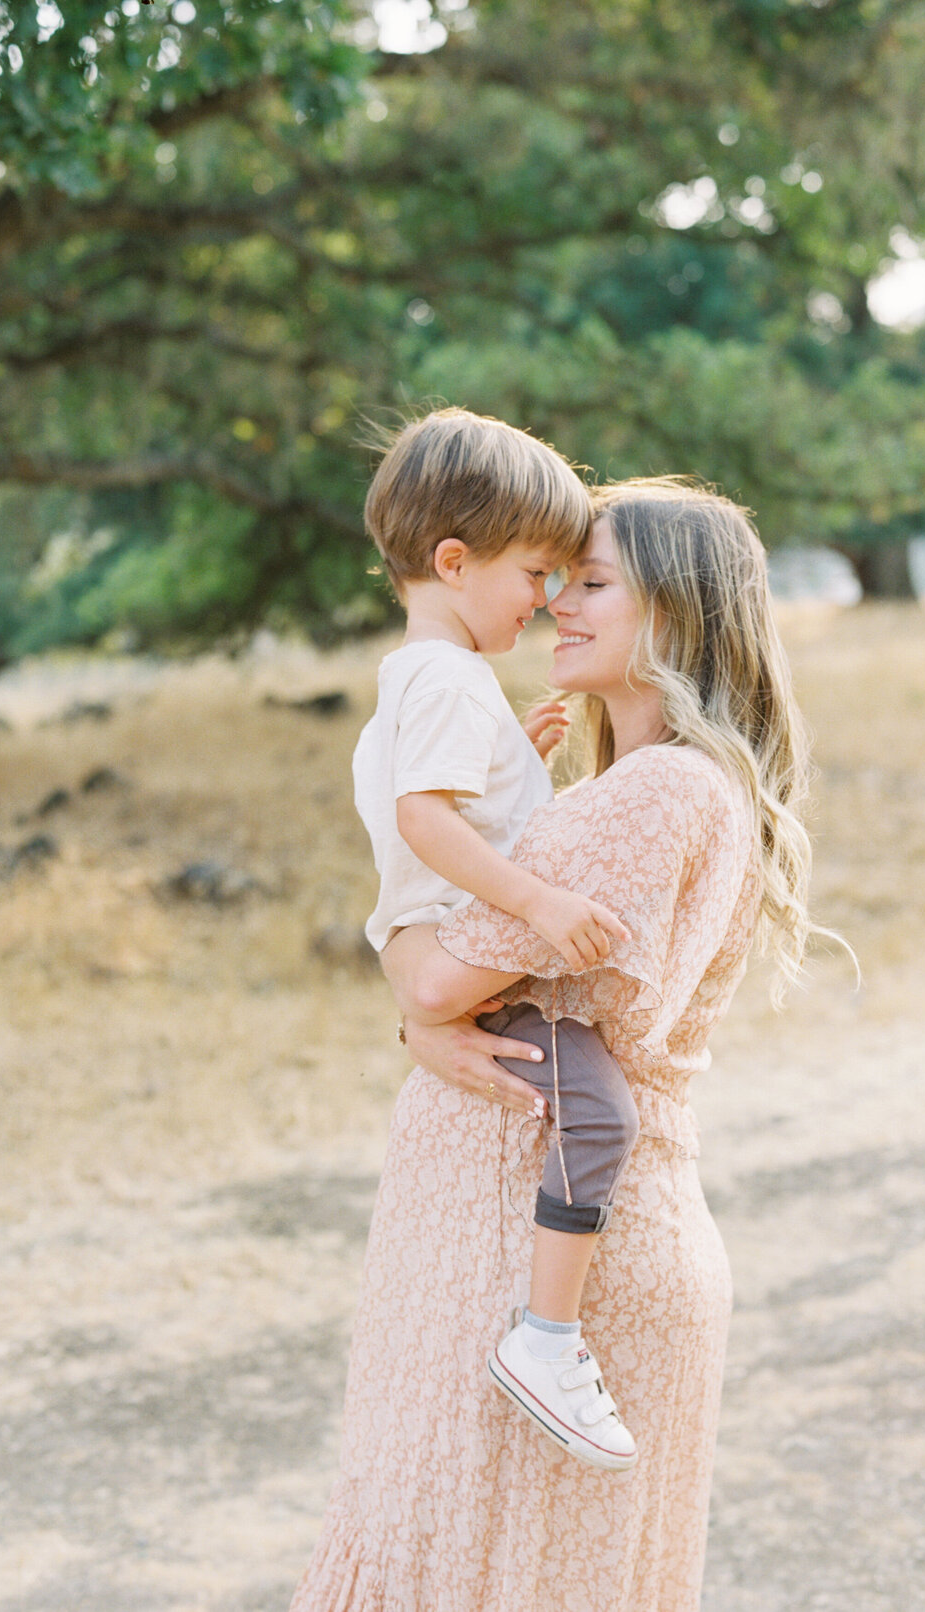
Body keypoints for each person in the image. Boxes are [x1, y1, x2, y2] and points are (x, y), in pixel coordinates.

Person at [292, 477, 834, 1612]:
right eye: (551, 581)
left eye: (590, 584)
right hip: (562, 1237)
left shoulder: (646, 796)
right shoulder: (655, 789)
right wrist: (422, 1018)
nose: (554, 607)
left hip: (540, 1262)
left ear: (677, 613)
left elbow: (441, 976)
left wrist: (415, 1012)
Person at [352, 407, 648, 1471]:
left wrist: (511, 759)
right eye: (534, 572)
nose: (549, 596)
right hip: (459, 940)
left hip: (433, 936)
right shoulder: (440, 676)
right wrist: (537, 903)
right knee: (600, 1115)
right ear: (451, 559)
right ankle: (547, 1339)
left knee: (584, 1105)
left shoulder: (435, 683)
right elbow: (425, 821)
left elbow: (435, 807)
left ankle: (545, 1330)